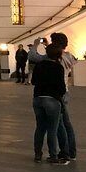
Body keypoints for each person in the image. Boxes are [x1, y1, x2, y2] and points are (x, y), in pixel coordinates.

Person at [29, 33, 77, 161]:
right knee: (66, 124)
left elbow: (34, 56)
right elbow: (54, 54)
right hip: (62, 93)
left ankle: (59, 153)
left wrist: (36, 44)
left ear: (54, 43)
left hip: (52, 95)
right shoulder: (69, 56)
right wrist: (46, 45)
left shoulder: (50, 60)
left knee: (52, 127)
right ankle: (69, 152)